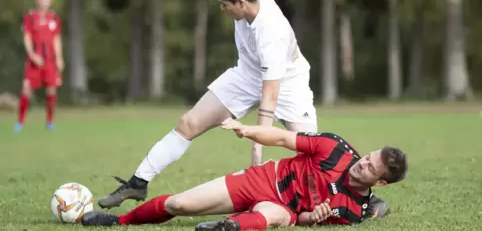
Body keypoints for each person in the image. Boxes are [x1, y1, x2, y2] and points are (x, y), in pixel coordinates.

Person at [98, 0, 326, 208]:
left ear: (240, 3)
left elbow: (270, 96)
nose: (221, 8)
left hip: (288, 84)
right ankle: (138, 183)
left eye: (224, 5)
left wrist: (256, 149)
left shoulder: (271, 35)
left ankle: (357, 200)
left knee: (313, 151)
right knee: (189, 123)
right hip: (246, 75)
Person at [82, 118, 408, 229]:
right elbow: (282, 137)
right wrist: (247, 130)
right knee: (180, 205)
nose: (361, 162)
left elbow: (306, 220)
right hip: (263, 179)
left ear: (380, 182)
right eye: (366, 156)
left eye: (369, 167)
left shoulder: (353, 211)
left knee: (273, 217)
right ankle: (119, 222)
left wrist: (314, 216)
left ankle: (225, 228)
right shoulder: (334, 147)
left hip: (286, 209)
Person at [14, 0, 64, 132]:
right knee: (26, 89)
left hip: (49, 60)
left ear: (50, 2)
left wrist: (59, 58)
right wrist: (32, 55)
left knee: (51, 90)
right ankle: (20, 122)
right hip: (34, 59)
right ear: (37, 0)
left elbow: (56, 39)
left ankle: (50, 122)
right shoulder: (30, 17)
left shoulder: (54, 19)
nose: (44, 2)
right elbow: (27, 37)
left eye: (47, 0)